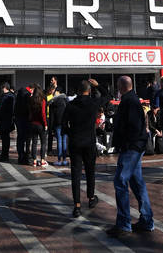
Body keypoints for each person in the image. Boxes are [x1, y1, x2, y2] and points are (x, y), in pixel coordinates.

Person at [107, 76, 153, 237]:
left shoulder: (129, 101)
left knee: (120, 181)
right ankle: (146, 220)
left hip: (131, 147)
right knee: (136, 182)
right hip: (135, 146)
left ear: (121, 87)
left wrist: (125, 143)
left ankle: (124, 223)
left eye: (118, 86)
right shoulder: (133, 100)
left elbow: (132, 126)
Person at [64, 79, 101, 217]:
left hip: (75, 142)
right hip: (89, 141)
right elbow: (107, 96)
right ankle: (91, 198)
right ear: (89, 90)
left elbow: (63, 125)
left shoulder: (71, 105)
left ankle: (77, 205)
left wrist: (72, 133)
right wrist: (98, 85)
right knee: (90, 171)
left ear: (78, 91)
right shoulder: (93, 103)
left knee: (76, 174)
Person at [0, 83, 15, 162]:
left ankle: (5, 155)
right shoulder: (3, 96)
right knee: (3, 138)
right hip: (2, 120)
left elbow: (11, 109)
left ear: (5, 88)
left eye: (2, 88)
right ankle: (4, 154)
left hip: (7, 120)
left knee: (6, 138)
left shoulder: (10, 96)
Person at [29, 84, 49, 167]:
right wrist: (45, 124)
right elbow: (43, 113)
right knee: (43, 143)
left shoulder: (31, 100)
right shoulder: (42, 101)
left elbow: (30, 112)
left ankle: (34, 160)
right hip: (40, 124)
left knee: (34, 142)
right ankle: (42, 160)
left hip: (33, 123)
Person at [49, 89, 69, 166]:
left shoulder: (53, 102)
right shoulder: (66, 101)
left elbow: (52, 117)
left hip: (57, 124)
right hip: (65, 124)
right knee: (64, 141)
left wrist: (51, 128)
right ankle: (64, 159)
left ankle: (59, 160)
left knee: (59, 142)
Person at [14, 86, 33, 164]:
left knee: (20, 138)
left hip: (19, 120)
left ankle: (20, 156)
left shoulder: (17, 100)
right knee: (28, 139)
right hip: (27, 121)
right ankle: (27, 156)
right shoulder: (27, 98)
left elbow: (15, 111)